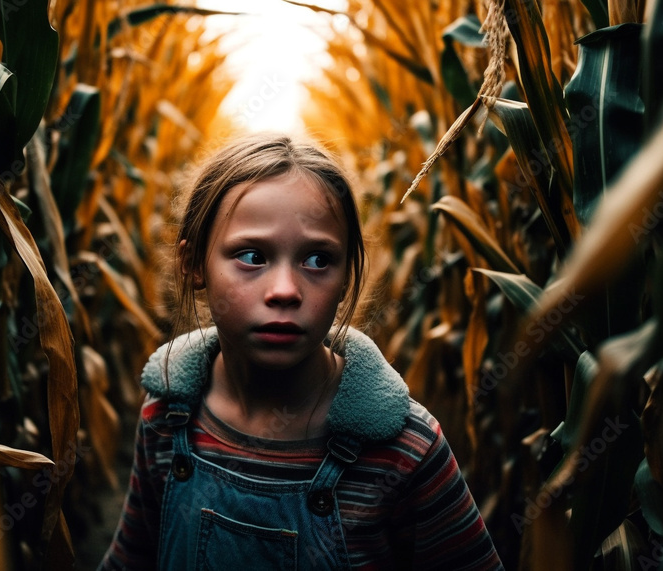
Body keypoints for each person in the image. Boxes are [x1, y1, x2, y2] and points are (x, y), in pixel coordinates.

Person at [99, 133, 503, 570]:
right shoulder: (168, 414)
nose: (286, 291)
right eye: (252, 256)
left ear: (347, 276)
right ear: (193, 264)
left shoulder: (406, 450)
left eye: (317, 261)